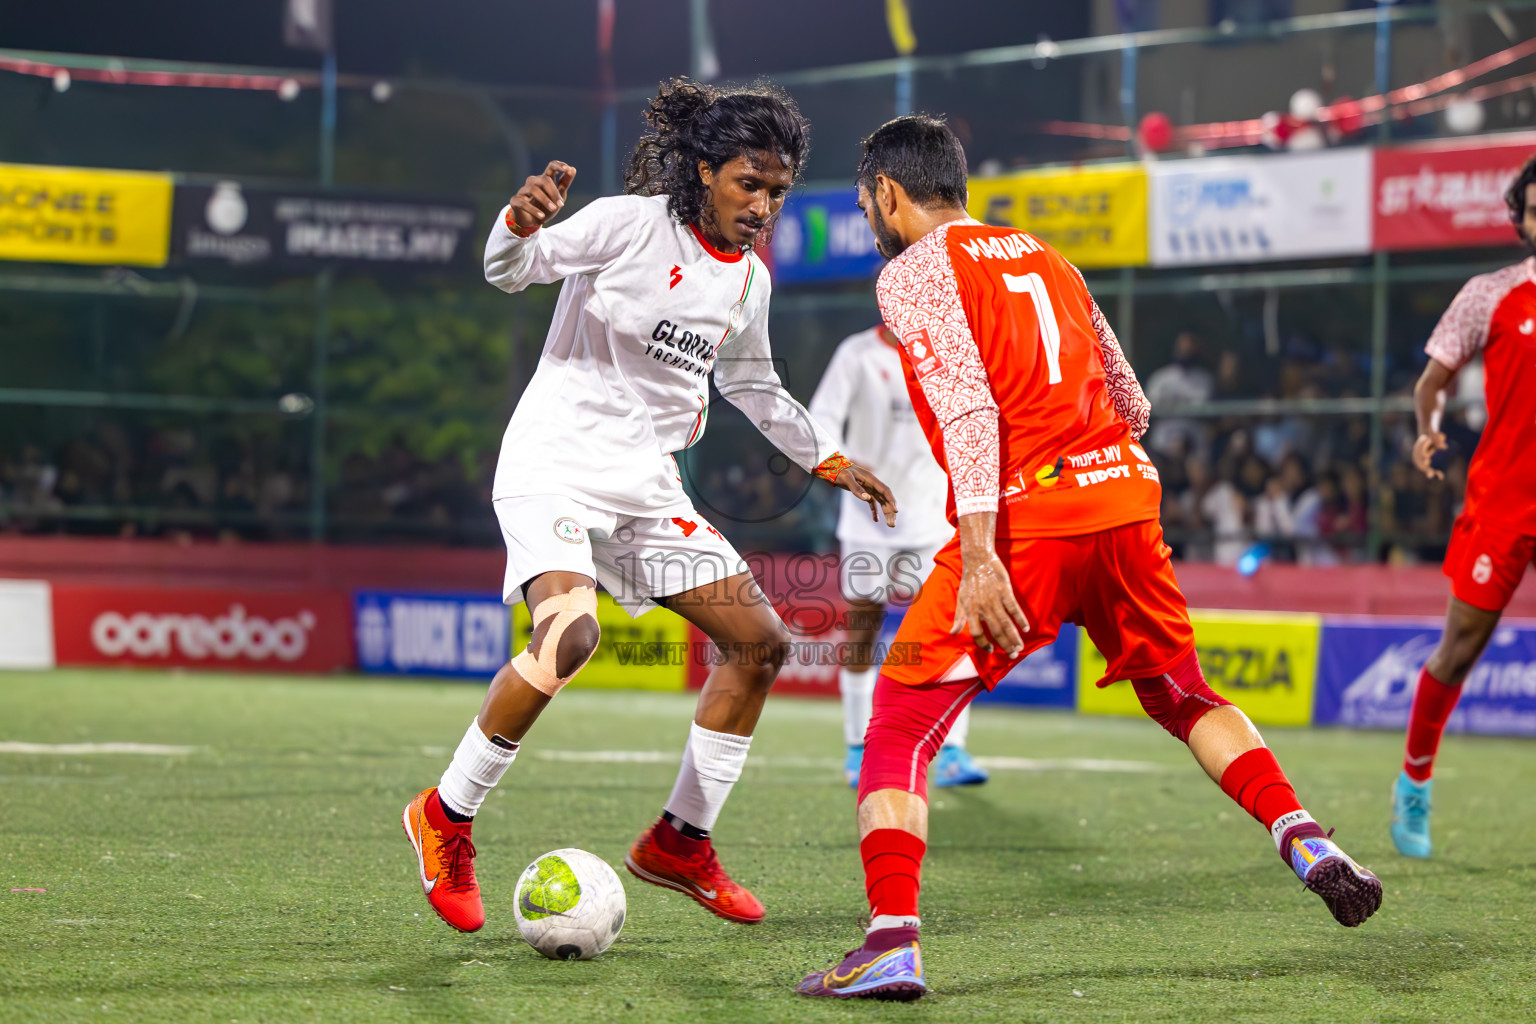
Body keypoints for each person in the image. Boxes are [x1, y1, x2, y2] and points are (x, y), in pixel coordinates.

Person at [797, 115, 1381, 1002]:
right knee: (1185, 693)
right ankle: (1304, 837)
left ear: (887, 194)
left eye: (867, 202)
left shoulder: (914, 272)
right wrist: (1106, 494)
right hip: (1122, 497)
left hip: (1026, 522)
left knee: (901, 718)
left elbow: (969, 413)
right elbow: (1132, 401)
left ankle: (890, 941)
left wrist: (987, 553)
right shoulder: (1047, 257)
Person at [401, 78, 897, 933]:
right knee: (570, 635)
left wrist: (827, 457)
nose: (764, 205)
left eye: (778, 191)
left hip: (644, 489)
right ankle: (446, 815)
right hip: (553, 465)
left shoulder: (748, 284)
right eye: (750, 183)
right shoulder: (628, 223)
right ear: (705, 169)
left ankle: (680, 840)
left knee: (760, 643)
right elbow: (510, 271)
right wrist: (518, 222)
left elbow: (751, 382)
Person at [1390, 154, 1536, 859]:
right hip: (1503, 502)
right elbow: (1433, 381)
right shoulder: (1491, 293)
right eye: (1534, 207)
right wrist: (1428, 429)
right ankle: (1414, 781)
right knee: (1459, 650)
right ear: (1522, 220)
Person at [809, 325, 989, 789]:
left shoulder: (949, 355)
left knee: (952, 627)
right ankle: (856, 746)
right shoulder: (857, 353)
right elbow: (819, 420)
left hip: (932, 518)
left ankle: (953, 750)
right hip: (867, 517)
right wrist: (844, 471)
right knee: (863, 628)